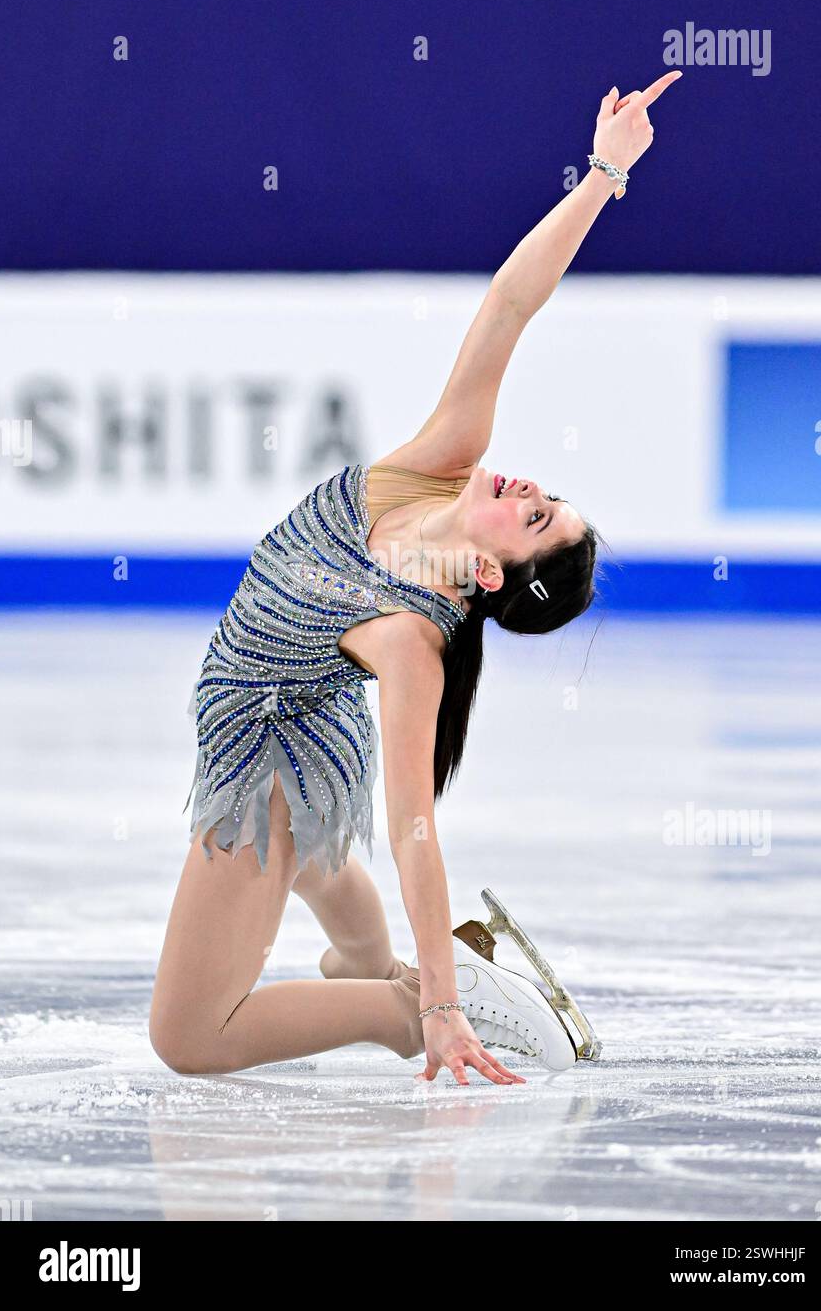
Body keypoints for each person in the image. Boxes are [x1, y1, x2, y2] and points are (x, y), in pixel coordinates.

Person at [149, 71, 681, 1086]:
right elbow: (511, 302)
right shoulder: (443, 455)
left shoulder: (407, 637)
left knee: (188, 1038)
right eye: (545, 494)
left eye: (533, 518)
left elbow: (414, 832)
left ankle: (397, 1007)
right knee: (327, 892)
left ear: (487, 569)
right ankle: (366, 959)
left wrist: (433, 1005)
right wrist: (607, 170)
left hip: (274, 751)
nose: (526, 485)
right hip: (286, 704)